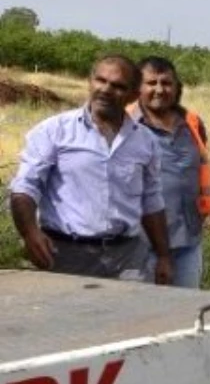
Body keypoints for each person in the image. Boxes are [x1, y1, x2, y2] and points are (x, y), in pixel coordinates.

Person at [8, 54, 173, 284]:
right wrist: (29, 233)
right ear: (90, 81)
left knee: (129, 319)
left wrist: (164, 256)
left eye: (117, 86)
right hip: (65, 256)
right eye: (100, 80)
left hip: (127, 260)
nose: (105, 89)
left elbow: (152, 201)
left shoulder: (145, 141)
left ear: (134, 95)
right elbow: (25, 187)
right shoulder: (54, 131)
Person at [127, 56, 210, 288]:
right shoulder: (125, 125)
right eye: (151, 83)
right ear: (138, 87)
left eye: (166, 83)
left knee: (186, 314)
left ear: (177, 88)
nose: (159, 89)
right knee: (143, 317)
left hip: (189, 241)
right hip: (141, 246)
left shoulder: (192, 123)